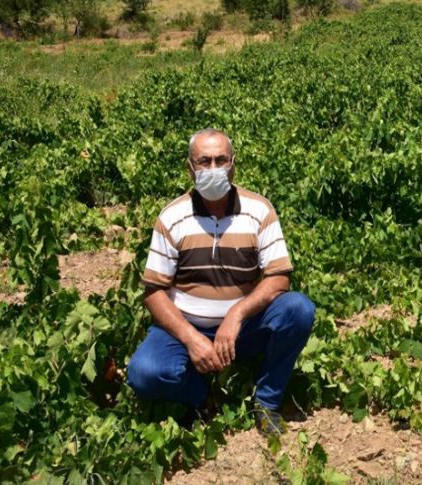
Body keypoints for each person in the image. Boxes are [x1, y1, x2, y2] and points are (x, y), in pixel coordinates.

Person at [126, 128, 315, 436]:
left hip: (242, 328)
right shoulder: (172, 217)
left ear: (233, 165)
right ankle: (199, 394)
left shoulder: (258, 210)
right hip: (187, 326)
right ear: (190, 168)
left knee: (298, 309)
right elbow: (154, 292)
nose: (213, 169)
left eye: (220, 160)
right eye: (204, 161)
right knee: (144, 373)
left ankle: (266, 401)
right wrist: (190, 338)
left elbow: (279, 277)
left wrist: (236, 314)